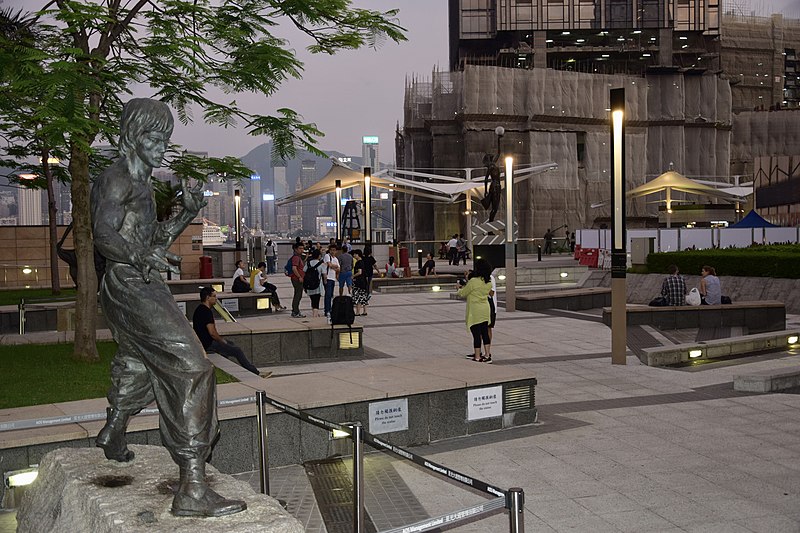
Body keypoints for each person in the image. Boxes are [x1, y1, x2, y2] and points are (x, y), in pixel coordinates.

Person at [91, 98, 245, 517]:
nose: (161, 147)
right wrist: (138, 258)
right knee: (192, 368)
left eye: (165, 139)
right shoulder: (117, 179)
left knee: (140, 356)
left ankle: (114, 430)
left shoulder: (141, 184)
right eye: (153, 138)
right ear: (131, 137)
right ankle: (192, 486)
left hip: (137, 280)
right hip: (128, 284)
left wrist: (185, 214)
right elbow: (104, 234)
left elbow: (151, 241)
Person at [193, 287, 268, 377]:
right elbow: (212, 333)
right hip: (208, 344)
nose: (216, 298)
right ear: (208, 298)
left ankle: (226, 371)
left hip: (202, 342)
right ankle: (256, 373)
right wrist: (221, 340)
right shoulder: (206, 312)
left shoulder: (199, 309)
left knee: (229, 345)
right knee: (237, 350)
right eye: (214, 296)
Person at [457, 258, 493, 363]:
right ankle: (487, 355)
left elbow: (463, 293)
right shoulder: (488, 282)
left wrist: (458, 288)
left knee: (476, 334)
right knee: (485, 333)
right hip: (485, 309)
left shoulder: (473, 281)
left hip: (475, 310)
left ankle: (477, 356)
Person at [303, 248, 326, 317]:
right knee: (317, 299)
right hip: (317, 284)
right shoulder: (321, 264)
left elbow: (304, 271)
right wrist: (325, 281)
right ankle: (315, 314)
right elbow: (324, 275)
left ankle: (314, 311)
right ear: (319, 256)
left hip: (309, 284)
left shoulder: (308, 263)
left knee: (312, 299)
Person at [289, 242, 306, 318]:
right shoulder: (296, 257)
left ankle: (296, 311)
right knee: (297, 295)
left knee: (298, 295)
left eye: (302, 248)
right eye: (300, 248)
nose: (302, 250)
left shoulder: (298, 257)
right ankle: (295, 311)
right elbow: (294, 268)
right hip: (297, 279)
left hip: (297, 278)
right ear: (295, 249)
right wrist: (299, 277)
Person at [323, 243, 340, 319]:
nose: (333, 252)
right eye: (331, 250)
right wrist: (335, 266)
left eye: (334, 250)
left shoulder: (336, 259)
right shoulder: (327, 256)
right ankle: (327, 310)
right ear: (329, 250)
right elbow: (329, 265)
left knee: (331, 295)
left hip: (333, 278)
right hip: (328, 277)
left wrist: (334, 267)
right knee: (328, 295)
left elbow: (339, 269)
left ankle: (330, 309)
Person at [351, 249, 370, 316]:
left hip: (359, 282)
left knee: (358, 296)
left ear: (358, 254)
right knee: (364, 296)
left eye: (355, 254)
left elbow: (359, 272)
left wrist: (353, 276)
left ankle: (358, 312)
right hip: (363, 282)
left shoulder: (359, 262)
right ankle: (364, 311)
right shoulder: (362, 262)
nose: (354, 255)